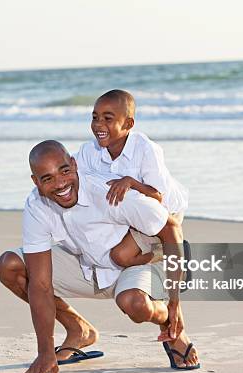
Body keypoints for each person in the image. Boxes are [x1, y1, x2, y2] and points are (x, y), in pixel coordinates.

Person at [0, 140, 199, 373]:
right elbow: (40, 285)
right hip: (88, 266)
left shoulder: (109, 191)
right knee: (10, 265)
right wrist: (45, 351)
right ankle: (79, 330)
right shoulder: (37, 206)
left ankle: (171, 325)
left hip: (135, 264)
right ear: (35, 182)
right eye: (47, 178)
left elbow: (170, 228)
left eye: (64, 171)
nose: (60, 184)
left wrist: (175, 301)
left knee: (133, 303)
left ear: (74, 164)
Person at [75, 89, 189, 268]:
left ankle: (169, 253)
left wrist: (131, 182)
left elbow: (158, 197)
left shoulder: (146, 149)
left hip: (166, 210)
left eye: (108, 118)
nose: (98, 124)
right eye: (95, 117)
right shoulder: (90, 150)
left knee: (121, 256)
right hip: (135, 210)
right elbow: (71, 171)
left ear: (128, 124)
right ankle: (155, 249)